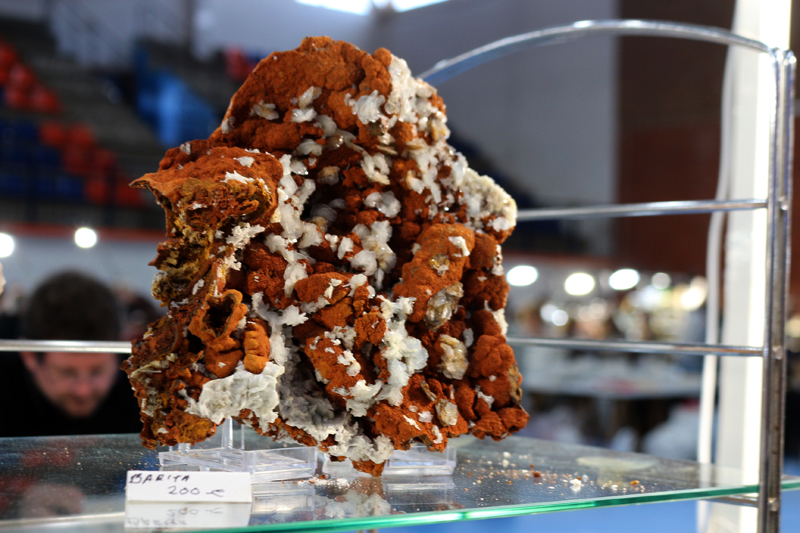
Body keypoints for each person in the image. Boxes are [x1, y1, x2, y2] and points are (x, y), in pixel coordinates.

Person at [0, 271, 142, 437]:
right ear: (29, 356)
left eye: (97, 371)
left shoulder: (143, 388)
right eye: (66, 373)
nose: (83, 391)